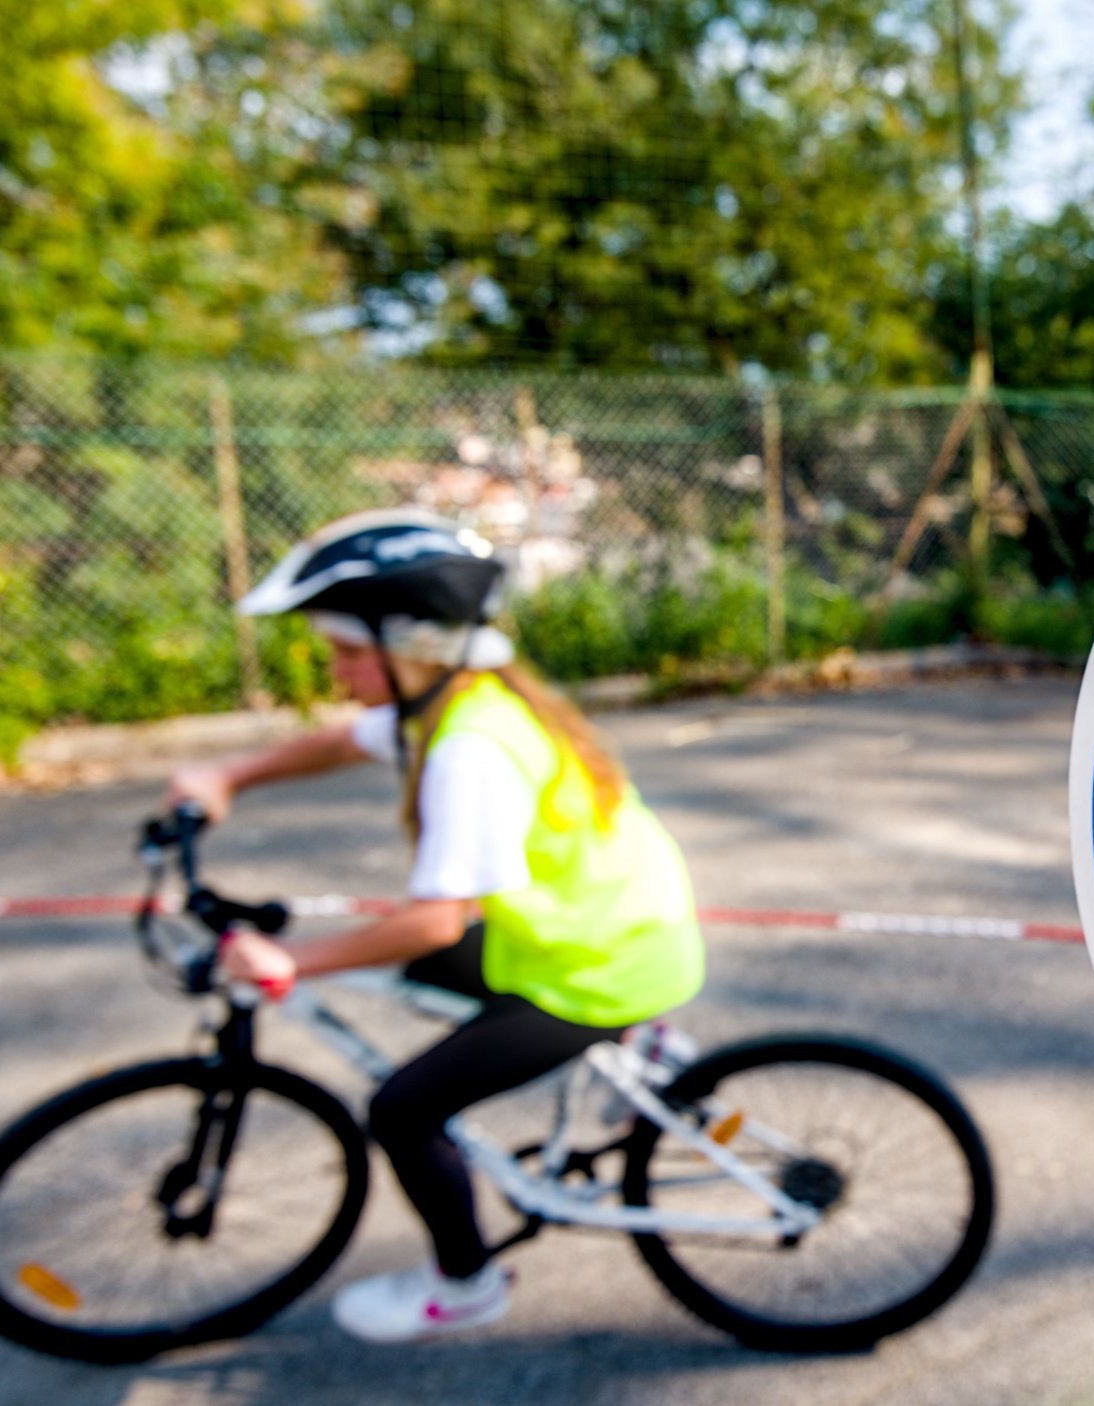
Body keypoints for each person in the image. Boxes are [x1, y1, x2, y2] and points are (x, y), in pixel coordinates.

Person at [167, 509, 705, 1344]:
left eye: (346, 651)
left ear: (411, 644)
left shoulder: (468, 753)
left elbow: (431, 923)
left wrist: (292, 962)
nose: (335, 669)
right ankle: (645, 1048)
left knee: (401, 1111)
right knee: (419, 974)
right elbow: (345, 742)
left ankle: (467, 1283)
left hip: (599, 969)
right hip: (614, 930)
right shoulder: (464, 699)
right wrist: (228, 774)